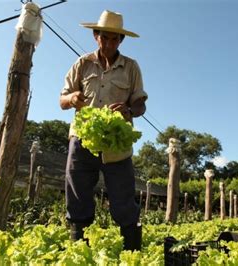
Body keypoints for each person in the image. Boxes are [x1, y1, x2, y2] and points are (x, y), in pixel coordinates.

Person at [59, 10, 148, 251]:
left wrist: (129, 109)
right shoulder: (82, 63)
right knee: (78, 198)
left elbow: (141, 105)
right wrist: (73, 98)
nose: (108, 43)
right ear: (96, 35)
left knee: (123, 201)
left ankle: (132, 254)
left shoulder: (131, 67)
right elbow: (62, 99)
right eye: (104, 37)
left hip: (116, 145)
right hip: (82, 141)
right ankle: (80, 252)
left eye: (114, 39)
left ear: (121, 40)